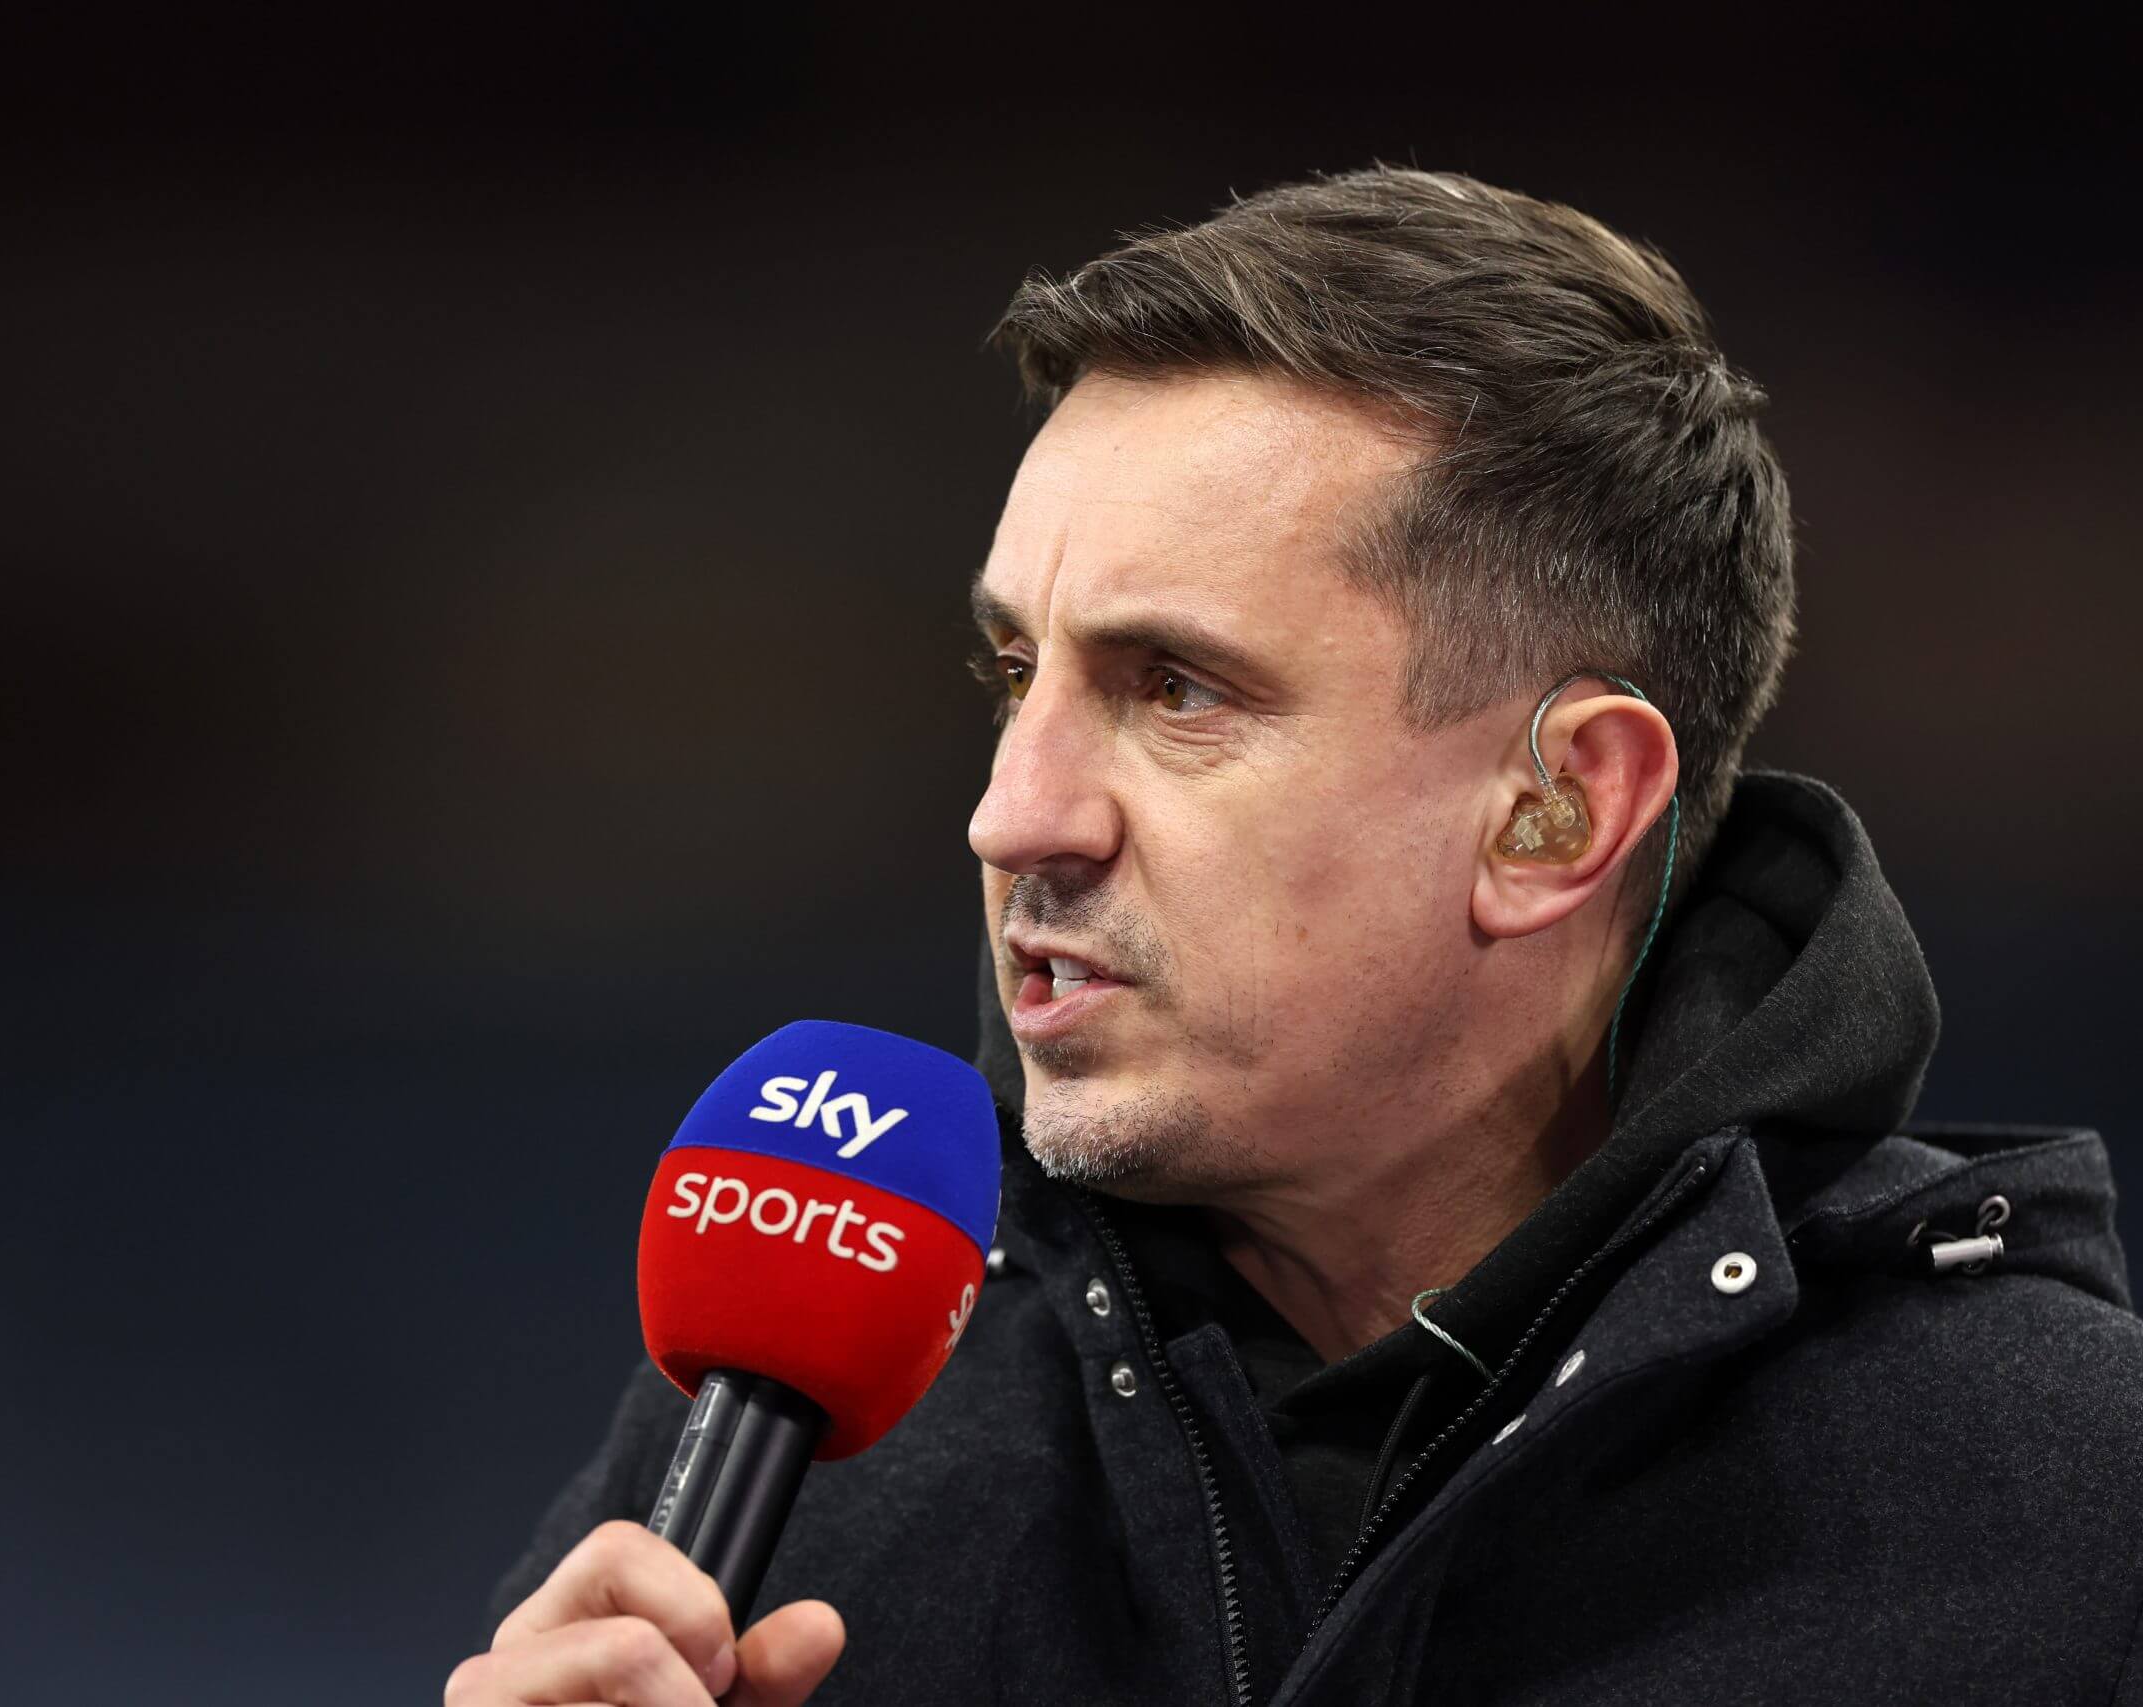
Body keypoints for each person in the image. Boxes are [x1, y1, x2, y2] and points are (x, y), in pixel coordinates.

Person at [451, 167, 2143, 1706]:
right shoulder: (797, 1460)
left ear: (1556, 812)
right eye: (1015, 674)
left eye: (1177, 690)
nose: (1011, 815)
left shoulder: (2061, 1510)